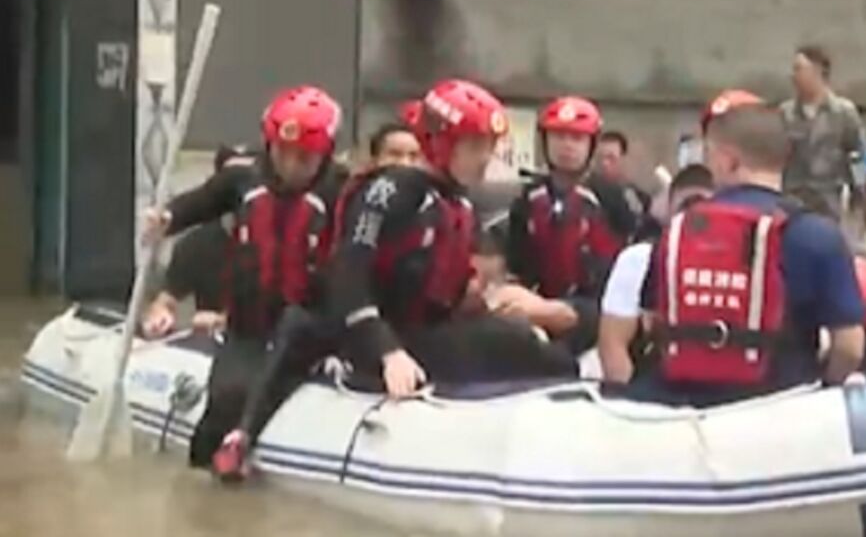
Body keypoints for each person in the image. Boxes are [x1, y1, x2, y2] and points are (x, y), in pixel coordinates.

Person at [208, 79, 576, 481]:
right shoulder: (389, 192)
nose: (486, 158)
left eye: (488, 145)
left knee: (538, 348)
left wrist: (491, 303)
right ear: (439, 144)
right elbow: (348, 273)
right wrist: (387, 350)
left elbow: (446, 287)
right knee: (299, 326)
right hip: (371, 334)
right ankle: (242, 437)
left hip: (424, 330)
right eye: (475, 146)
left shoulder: (457, 201)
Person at [139, 85, 346, 470]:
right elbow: (199, 203)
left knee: (292, 333)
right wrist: (166, 217)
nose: (291, 165)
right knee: (221, 406)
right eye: (283, 153)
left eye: (305, 158)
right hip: (249, 325)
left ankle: (246, 437)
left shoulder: (343, 191)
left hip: (309, 327)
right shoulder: (242, 179)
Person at [633, 95, 866, 407]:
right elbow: (850, 347)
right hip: (782, 404)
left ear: (728, 160)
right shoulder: (816, 235)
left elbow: (651, 322)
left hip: (685, 409)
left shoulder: (678, 229)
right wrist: (824, 384)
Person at [503, 96, 626, 352]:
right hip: (539, 307)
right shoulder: (528, 199)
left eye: (577, 138)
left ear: (591, 145)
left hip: (599, 314)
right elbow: (516, 262)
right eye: (558, 136)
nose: (566, 146)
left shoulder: (614, 197)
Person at [598, 164, 714, 384]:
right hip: (649, 392)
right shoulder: (639, 259)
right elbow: (612, 345)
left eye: (706, 208)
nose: (694, 218)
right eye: (686, 207)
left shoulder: (743, 265)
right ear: (669, 210)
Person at [143, 143, 254, 339]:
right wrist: (160, 314)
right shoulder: (197, 244)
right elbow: (167, 298)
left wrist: (222, 321)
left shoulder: (278, 242)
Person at [780, 44, 865, 220]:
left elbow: (856, 153)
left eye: (799, 69)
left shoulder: (843, 112)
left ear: (818, 71)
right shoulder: (785, 113)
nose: (793, 75)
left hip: (828, 197)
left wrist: (860, 191)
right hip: (793, 197)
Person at [592, 129, 655, 240]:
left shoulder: (637, 195)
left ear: (623, 158)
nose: (604, 163)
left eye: (611, 158)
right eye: (599, 158)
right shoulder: (586, 193)